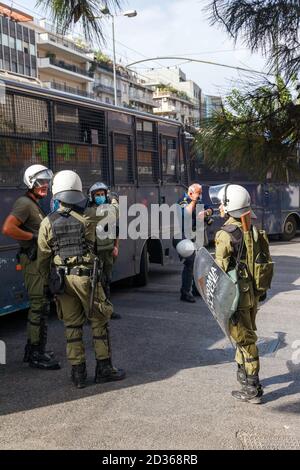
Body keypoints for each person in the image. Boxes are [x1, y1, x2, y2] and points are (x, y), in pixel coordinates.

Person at [37, 170, 126, 388]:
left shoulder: (47, 222)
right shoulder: (89, 214)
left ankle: (78, 374)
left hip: (62, 281)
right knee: (99, 321)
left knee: (72, 326)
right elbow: (115, 212)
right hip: (86, 278)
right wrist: (113, 199)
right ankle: (104, 369)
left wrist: (50, 284)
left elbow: (42, 259)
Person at [210, 183, 271, 404]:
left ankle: (253, 387)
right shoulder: (251, 229)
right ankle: (245, 376)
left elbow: (219, 269)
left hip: (236, 296)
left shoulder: (225, 235)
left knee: (245, 339)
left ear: (230, 206)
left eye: (221, 203)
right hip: (252, 293)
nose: (219, 207)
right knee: (243, 335)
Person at [2, 164, 60, 370]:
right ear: (30, 182)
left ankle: (33, 349)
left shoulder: (34, 203)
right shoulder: (24, 203)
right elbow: (8, 228)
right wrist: (34, 238)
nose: (45, 185)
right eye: (40, 182)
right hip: (33, 263)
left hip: (39, 264)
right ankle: (36, 354)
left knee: (42, 306)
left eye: (47, 181)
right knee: (39, 307)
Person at [87, 182, 121, 320]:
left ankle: (107, 310)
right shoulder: (92, 211)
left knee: (107, 281)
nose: (100, 197)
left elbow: (115, 231)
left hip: (108, 251)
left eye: (102, 194)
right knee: (95, 283)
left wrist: (116, 246)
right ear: (92, 197)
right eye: (97, 195)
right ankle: (93, 313)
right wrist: (114, 200)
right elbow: (115, 211)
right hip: (96, 253)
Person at [177, 183, 213, 302]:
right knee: (190, 261)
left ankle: (197, 289)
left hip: (195, 236)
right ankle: (185, 292)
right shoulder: (183, 201)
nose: (200, 195)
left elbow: (210, 208)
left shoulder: (199, 202)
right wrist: (193, 201)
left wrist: (206, 213)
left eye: (201, 193)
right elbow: (186, 213)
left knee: (199, 261)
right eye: (199, 193)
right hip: (182, 236)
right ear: (191, 193)